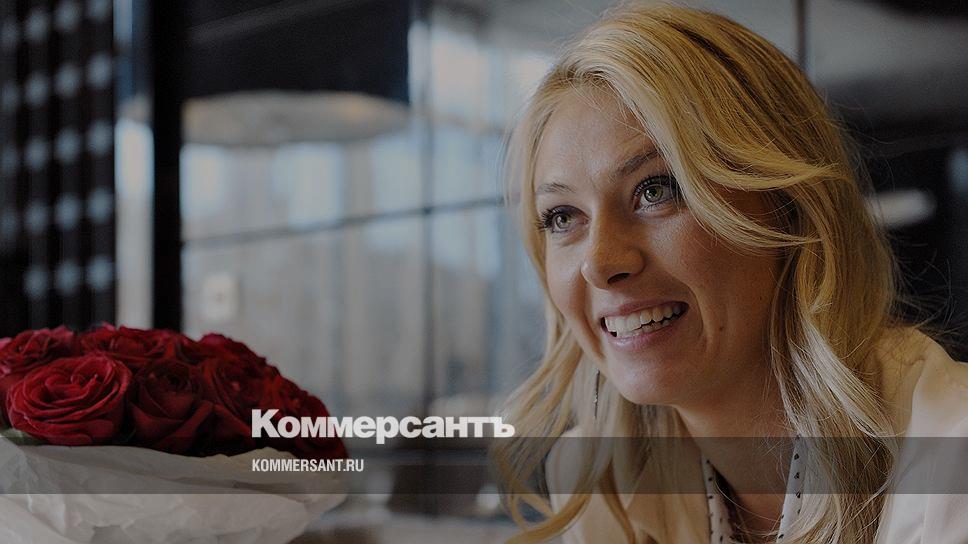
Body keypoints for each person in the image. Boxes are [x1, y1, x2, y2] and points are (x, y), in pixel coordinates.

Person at [492, 4, 968, 543]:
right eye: (563, 217)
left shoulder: (952, 465)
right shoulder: (597, 483)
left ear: (789, 207)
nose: (600, 264)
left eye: (656, 190)